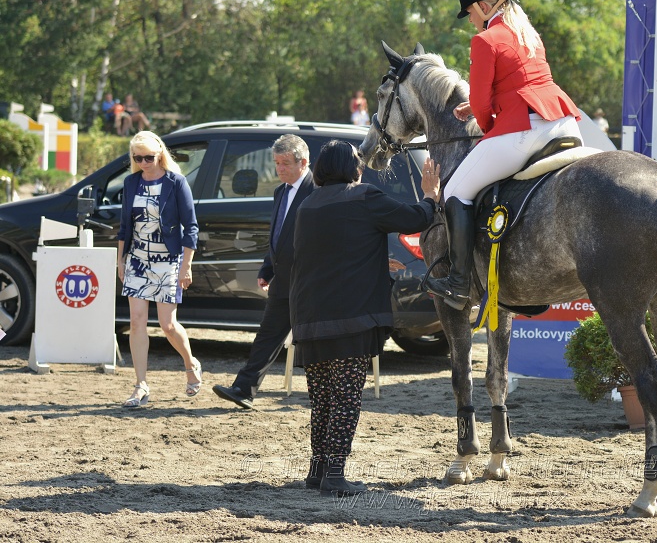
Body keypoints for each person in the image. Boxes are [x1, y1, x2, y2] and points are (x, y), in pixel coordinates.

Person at [422, 0, 582, 311]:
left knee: (455, 192)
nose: (470, 21)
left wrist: (483, 118)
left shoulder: (485, 40)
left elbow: (482, 105)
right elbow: (522, 84)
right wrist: (487, 105)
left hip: (526, 131)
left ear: (483, 5)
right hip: (564, 123)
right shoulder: (529, 34)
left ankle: (459, 283)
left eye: (470, 13)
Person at [290, 141, 440, 496]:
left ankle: (318, 472)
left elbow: (328, 253)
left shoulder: (308, 203)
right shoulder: (363, 196)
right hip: (350, 315)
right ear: (351, 168)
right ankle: (336, 475)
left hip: (311, 315)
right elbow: (414, 219)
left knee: (323, 399)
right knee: (345, 399)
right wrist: (430, 195)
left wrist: (373, 262)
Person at [212, 134, 314, 410]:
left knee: (315, 341)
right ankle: (243, 389)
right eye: (277, 163)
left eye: (285, 164)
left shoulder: (317, 189)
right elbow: (279, 236)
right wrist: (267, 269)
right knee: (267, 336)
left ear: (303, 162)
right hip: (283, 279)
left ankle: (323, 395)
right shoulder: (281, 191)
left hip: (310, 282)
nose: (279, 169)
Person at [117, 131, 200, 408]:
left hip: (169, 260)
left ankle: (190, 364)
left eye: (148, 157)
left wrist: (186, 266)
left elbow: (191, 227)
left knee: (167, 325)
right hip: (137, 260)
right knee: (137, 323)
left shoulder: (176, 182)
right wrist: (121, 260)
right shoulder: (131, 183)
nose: (143, 162)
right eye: (137, 158)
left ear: (160, 153)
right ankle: (140, 385)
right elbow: (124, 227)